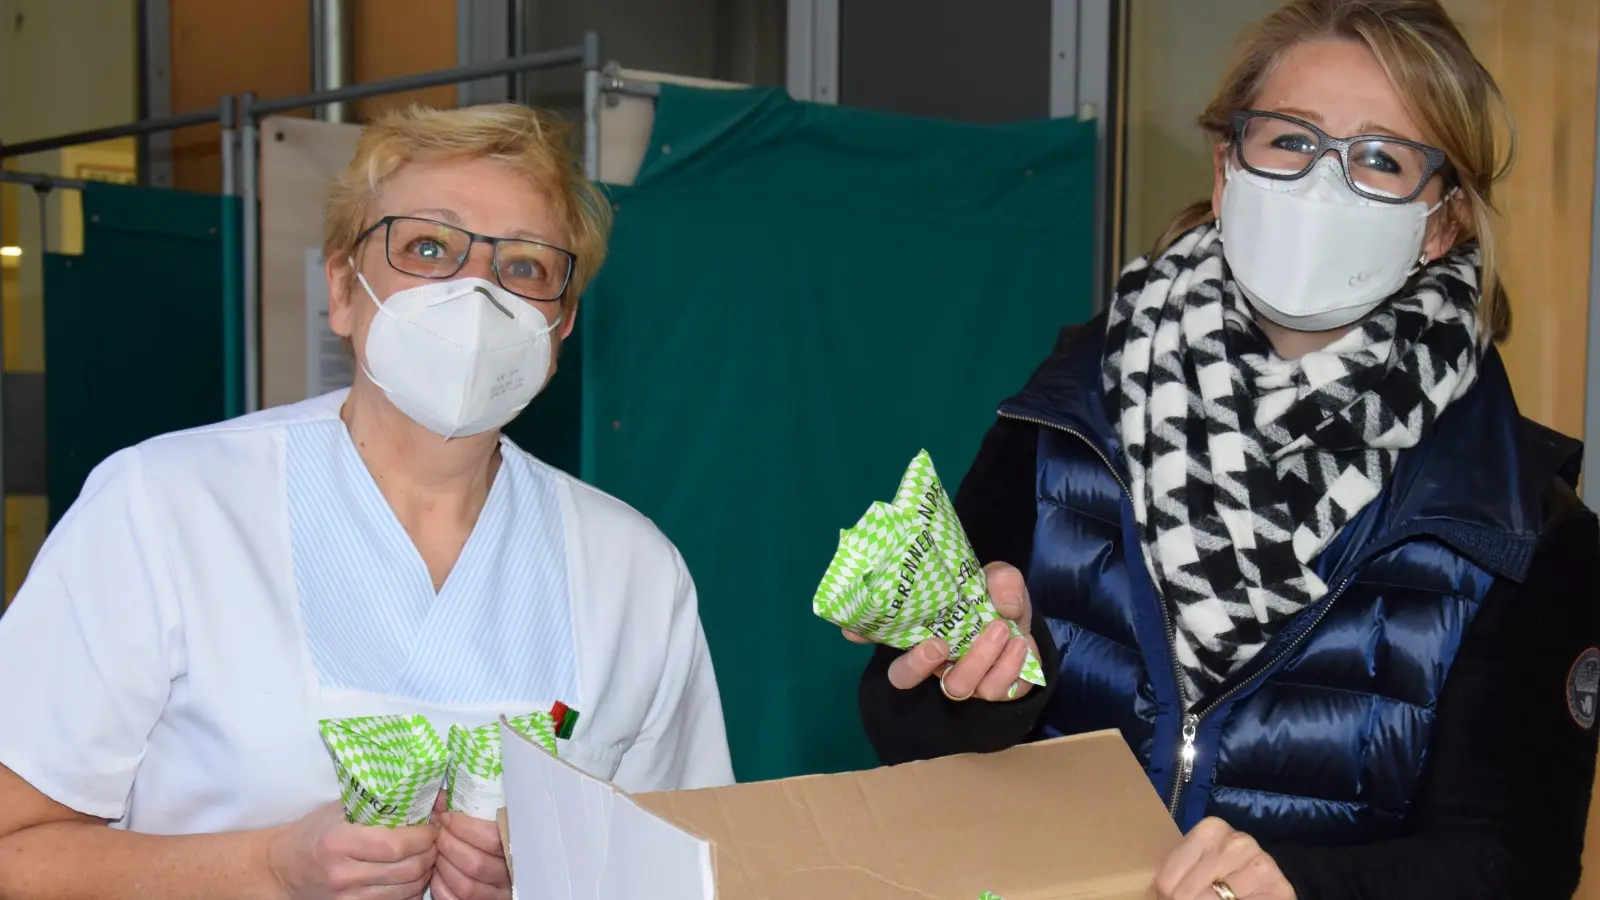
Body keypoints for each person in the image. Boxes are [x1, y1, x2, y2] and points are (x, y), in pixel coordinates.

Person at [854, 2, 1600, 899]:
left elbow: (1513, 865)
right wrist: (974, 678)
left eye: (1379, 159)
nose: (1322, 186)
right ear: (1226, 168)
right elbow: (900, 723)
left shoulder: (1518, 526)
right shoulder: (1067, 414)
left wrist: (1303, 883)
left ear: (1440, 224)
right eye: (1291, 140)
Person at [0, 103, 732, 900]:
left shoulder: (632, 572)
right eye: (428, 247)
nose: (477, 295)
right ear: (343, 290)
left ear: (560, 328)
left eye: (524, 266)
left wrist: (551, 874)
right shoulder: (166, 509)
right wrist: (270, 866)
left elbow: (689, 870)